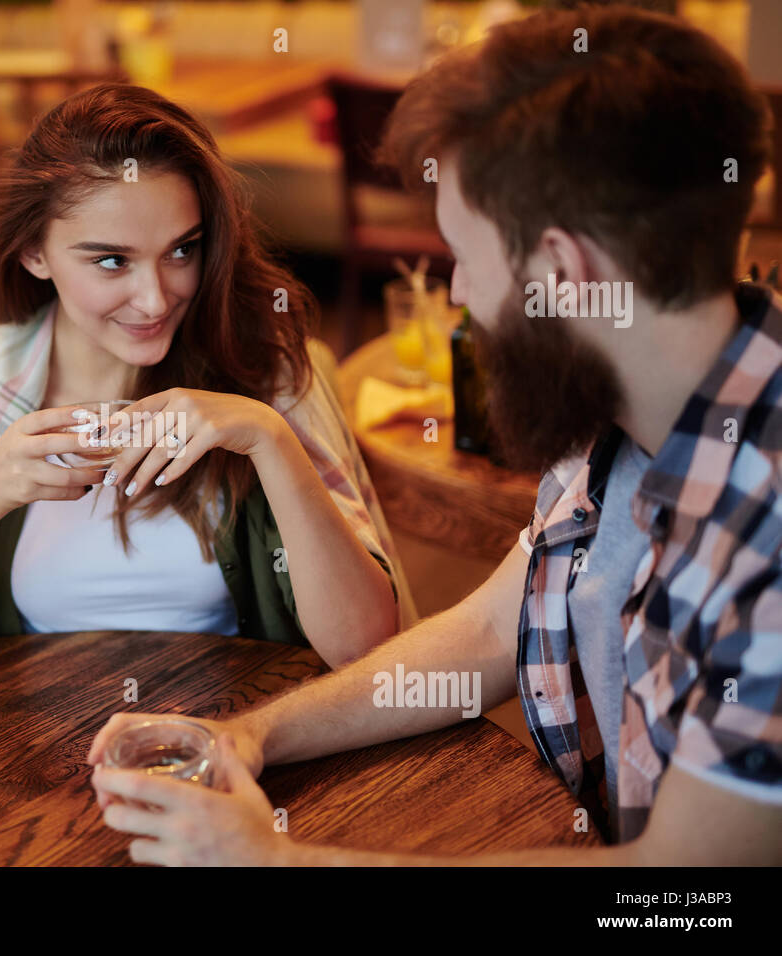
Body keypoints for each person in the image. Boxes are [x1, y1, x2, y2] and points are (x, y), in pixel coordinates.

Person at [89, 5, 782, 865]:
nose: (457, 293)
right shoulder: (620, 395)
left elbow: (675, 898)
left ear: (562, 272)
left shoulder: (767, 545)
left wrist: (276, 860)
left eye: (464, 254)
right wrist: (254, 735)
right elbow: (500, 628)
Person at [0, 83, 411, 701]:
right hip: (25, 766)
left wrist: (269, 441)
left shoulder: (264, 369)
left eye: (182, 251)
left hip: (238, 754)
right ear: (35, 253)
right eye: (111, 261)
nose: (156, 298)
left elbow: (367, 649)